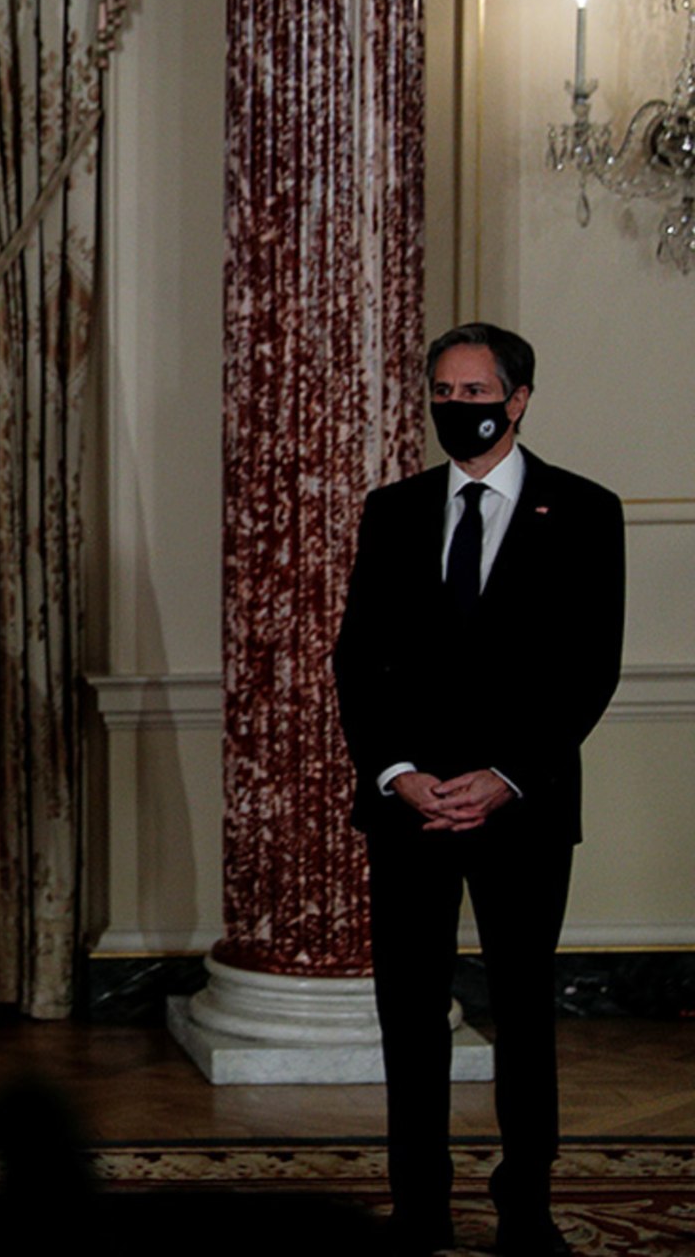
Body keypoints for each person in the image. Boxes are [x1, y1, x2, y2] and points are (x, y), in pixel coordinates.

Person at [334, 324, 624, 1256]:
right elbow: (357, 664)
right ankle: (418, 1202)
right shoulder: (393, 510)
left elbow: (590, 669)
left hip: (521, 809)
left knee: (524, 1011)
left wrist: (504, 778)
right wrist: (397, 773)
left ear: (521, 397)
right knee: (408, 1014)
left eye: (476, 392)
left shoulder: (584, 510)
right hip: (408, 807)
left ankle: (524, 1207)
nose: (459, 408)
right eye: (444, 392)